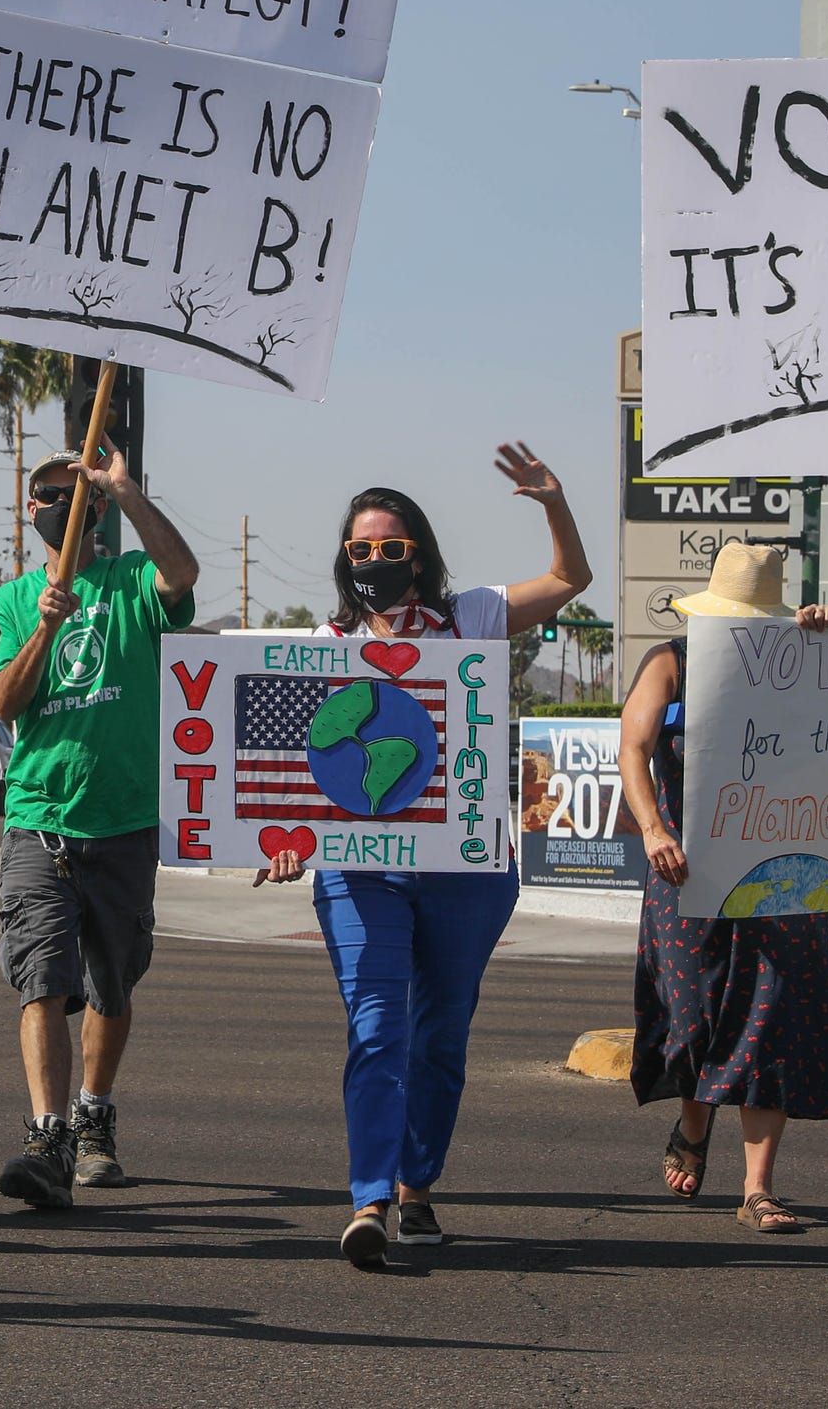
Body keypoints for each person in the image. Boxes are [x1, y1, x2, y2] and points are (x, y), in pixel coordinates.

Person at [257, 442, 590, 1268]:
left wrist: (553, 502)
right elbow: (303, 781)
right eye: (360, 548)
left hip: (465, 868)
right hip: (359, 868)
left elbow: (570, 579)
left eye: (391, 547)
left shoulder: (471, 615)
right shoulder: (323, 643)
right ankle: (368, 1198)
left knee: (441, 1034)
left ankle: (416, 1188)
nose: (374, 560)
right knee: (377, 1026)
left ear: (420, 555)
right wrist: (285, 839)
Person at [0, 444, 199, 1210]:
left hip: (125, 820)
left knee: (113, 980)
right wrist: (43, 628)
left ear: (97, 509)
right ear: (30, 508)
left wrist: (126, 489)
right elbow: (5, 701)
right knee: (42, 979)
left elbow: (182, 575)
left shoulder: (132, 582)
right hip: (39, 819)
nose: (62, 502)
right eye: (49, 492)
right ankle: (46, 1134)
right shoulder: (12, 601)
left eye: (77, 493)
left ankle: (93, 1113)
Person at [618, 540, 828, 1235]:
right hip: (686, 867)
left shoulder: (810, 654)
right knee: (692, 1009)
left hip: (788, 865)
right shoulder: (672, 661)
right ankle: (695, 1120)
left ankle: (758, 1185)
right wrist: (654, 826)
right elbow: (631, 748)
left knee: (775, 1017)